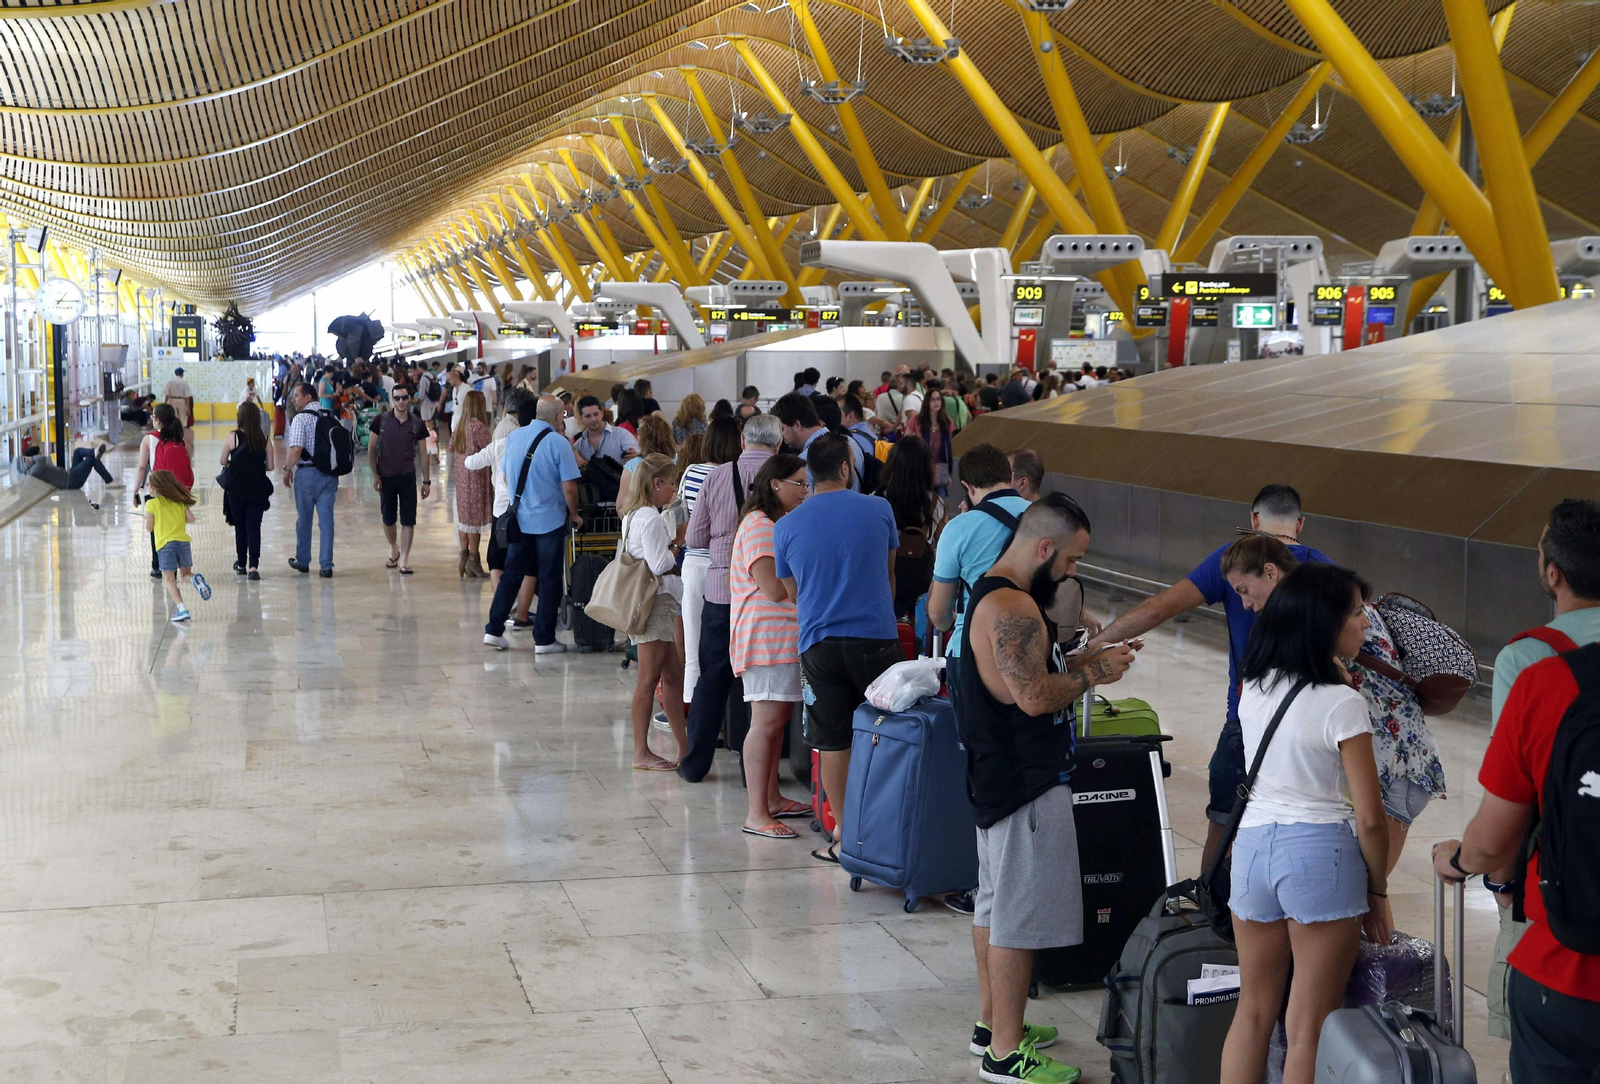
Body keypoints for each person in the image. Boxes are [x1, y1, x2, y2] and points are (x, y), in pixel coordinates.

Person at [958, 494, 1137, 1084]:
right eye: (1070, 560)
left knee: (994, 902)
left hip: (998, 774)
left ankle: (993, 1024)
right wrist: (1093, 675)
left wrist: (1085, 657)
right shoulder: (1013, 604)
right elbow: (1035, 698)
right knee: (1018, 914)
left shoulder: (990, 591)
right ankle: (1005, 1054)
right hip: (1025, 782)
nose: (1072, 572)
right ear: (1044, 547)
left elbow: (1024, 679)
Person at [1431, 509, 1600, 1082]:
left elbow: (1508, 817)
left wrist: (1468, 865)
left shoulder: (1533, 664)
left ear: (1552, 573)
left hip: (1564, 949)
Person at [1090, 484, 1335, 865]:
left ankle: (1213, 909)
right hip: (1310, 725)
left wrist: (1097, 644)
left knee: (1223, 826)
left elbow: (1159, 608)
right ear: (1299, 524)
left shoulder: (1231, 561)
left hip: (1245, 718)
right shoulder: (1325, 570)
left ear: (1254, 519)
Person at [1218, 563, 1392, 1084]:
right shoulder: (1343, 703)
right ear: (1328, 623)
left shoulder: (1255, 685)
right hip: (1318, 856)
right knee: (1309, 1025)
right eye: (1358, 613)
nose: (1366, 624)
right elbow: (1371, 819)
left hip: (1251, 852)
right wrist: (1378, 889)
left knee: (1252, 1011)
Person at [1476, 498, 1600, 1044]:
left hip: (1559, 909)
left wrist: (1495, 878)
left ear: (1553, 572)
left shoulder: (1528, 661)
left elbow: (1514, 799)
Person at [772, 434, 900, 863]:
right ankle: (887, 832)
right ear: (846, 468)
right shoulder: (879, 510)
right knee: (886, 734)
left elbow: (792, 592)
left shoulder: (786, 525)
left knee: (831, 741)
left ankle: (845, 835)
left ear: (809, 474)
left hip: (819, 644)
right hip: (876, 641)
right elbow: (889, 577)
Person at [679, 413, 782, 782]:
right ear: (779, 443)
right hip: (769, 595)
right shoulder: (784, 478)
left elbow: (694, 539)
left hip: (722, 590)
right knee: (756, 686)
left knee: (712, 678)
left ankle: (695, 764)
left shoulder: (716, 476)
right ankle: (754, 771)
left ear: (742, 441)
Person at [728, 453, 813, 837]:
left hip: (779, 639)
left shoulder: (773, 522)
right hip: (766, 639)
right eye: (799, 483)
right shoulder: (761, 526)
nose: (805, 491)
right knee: (764, 725)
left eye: (807, 483)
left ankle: (773, 799)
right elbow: (775, 588)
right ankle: (756, 814)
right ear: (775, 484)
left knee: (775, 724)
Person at [482, 392, 582, 652]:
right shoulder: (559, 443)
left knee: (511, 575)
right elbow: (570, 487)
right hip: (548, 522)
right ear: (559, 416)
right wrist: (574, 514)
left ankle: (493, 630)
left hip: (520, 520)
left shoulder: (514, 436)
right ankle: (544, 639)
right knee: (548, 579)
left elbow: (504, 478)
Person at [613, 453, 691, 769]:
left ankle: (685, 747)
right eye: (671, 483)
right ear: (657, 483)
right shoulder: (651, 518)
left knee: (673, 677)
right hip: (655, 604)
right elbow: (659, 564)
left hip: (649, 603)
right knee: (648, 679)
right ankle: (641, 752)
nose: (674, 489)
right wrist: (678, 543)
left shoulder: (633, 514)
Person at [467, 392, 539, 628]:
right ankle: (522, 615)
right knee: (529, 564)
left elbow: (471, 463)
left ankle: (502, 608)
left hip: (502, 512)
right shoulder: (537, 442)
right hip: (527, 510)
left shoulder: (500, 443)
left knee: (497, 561)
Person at [679, 418, 738, 705]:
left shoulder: (691, 472)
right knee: (723, 649)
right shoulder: (736, 476)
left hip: (693, 565)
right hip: (725, 567)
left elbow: (685, 516)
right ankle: (726, 715)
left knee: (693, 650)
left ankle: (692, 711)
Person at [365, 383, 432, 575]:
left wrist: (426, 481)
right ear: (391, 400)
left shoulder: (417, 424)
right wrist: (375, 475)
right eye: (397, 398)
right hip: (386, 476)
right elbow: (371, 448)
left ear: (409, 398)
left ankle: (405, 559)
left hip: (408, 476)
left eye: (404, 397)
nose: (401, 401)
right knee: (388, 518)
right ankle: (394, 547)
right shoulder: (381, 421)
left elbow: (423, 453)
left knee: (408, 519)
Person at [877, 435, 944, 622]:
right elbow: (942, 545)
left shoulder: (876, 500)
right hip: (921, 586)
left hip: (885, 583)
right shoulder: (935, 503)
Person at [282, 382, 339, 577]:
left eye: (297, 395)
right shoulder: (331, 416)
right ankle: (326, 565)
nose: (294, 399)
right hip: (330, 475)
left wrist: (287, 469)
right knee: (326, 521)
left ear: (308, 397)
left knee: (304, 520)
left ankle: (303, 561)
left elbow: (296, 449)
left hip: (307, 475)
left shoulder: (301, 418)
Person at [144, 469, 211, 624]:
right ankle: (195, 580)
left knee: (169, 580)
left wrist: (150, 518)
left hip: (165, 545)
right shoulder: (179, 500)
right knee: (186, 574)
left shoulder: (151, 504)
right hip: (183, 542)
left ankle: (182, 609)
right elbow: (191, 518)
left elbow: (149, 528)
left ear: (155, 487)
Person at [219, 401, 274, 580]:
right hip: (257, 489)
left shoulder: (232, 437)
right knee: (254, 527)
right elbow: (271, 466)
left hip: (236, 489)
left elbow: (222, 461)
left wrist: (236, 466)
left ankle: (241, 564)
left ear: (240, 417)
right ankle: (254, 567)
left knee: (240, 527)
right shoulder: (264, 439)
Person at [773, 392, 863, 492]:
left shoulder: (804, 461)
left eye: (783, 429)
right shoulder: (851, 442)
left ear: (797, 425)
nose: (782, 436)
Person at [450, 390, 492, 577]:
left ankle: (464, 556)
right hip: (477, 480)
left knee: (464, 520)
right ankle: (474, 559)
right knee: (474, 522)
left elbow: (452, 447)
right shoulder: (479, 427)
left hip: (461, 481)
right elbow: (490, 450)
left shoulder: (460, 426)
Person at [905, 380, 954, 495]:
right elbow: (905, 441)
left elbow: (947, 448)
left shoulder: (947, 421)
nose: (936, 402)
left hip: (940, 467)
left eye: (939, 399)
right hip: (921, 467)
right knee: (922, 500)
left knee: (940, 501)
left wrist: (948, 474)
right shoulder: (917, 420)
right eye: (933, 399)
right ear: (927, 402)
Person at [572, 395, 639, 465]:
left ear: (602, 413)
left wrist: (636, 454)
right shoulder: (579, 446)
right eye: (588, 416)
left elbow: (637, 456)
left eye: (596, 414)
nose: (593, 419)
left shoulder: (622, 435)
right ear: (581, 418)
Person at [19, 442, 112, 492]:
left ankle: (94, 452)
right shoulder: (33, 471)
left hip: (69, 474)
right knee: (91, 460)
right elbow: (41, 458)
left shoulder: (37, 467)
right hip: (71, 482)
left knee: (78, 452)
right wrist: (30, 459)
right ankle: (109, 481)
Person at [164, 366, 196, 456]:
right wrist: (188, 408)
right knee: (183, 418)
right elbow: (187, 397)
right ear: (182, 374)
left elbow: (166, 394)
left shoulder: (170, 382)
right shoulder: (184, 383)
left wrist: (166, 403)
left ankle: (173, 434)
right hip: (181, 401)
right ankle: (182, 435)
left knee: (173, 417)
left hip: (172, 400)